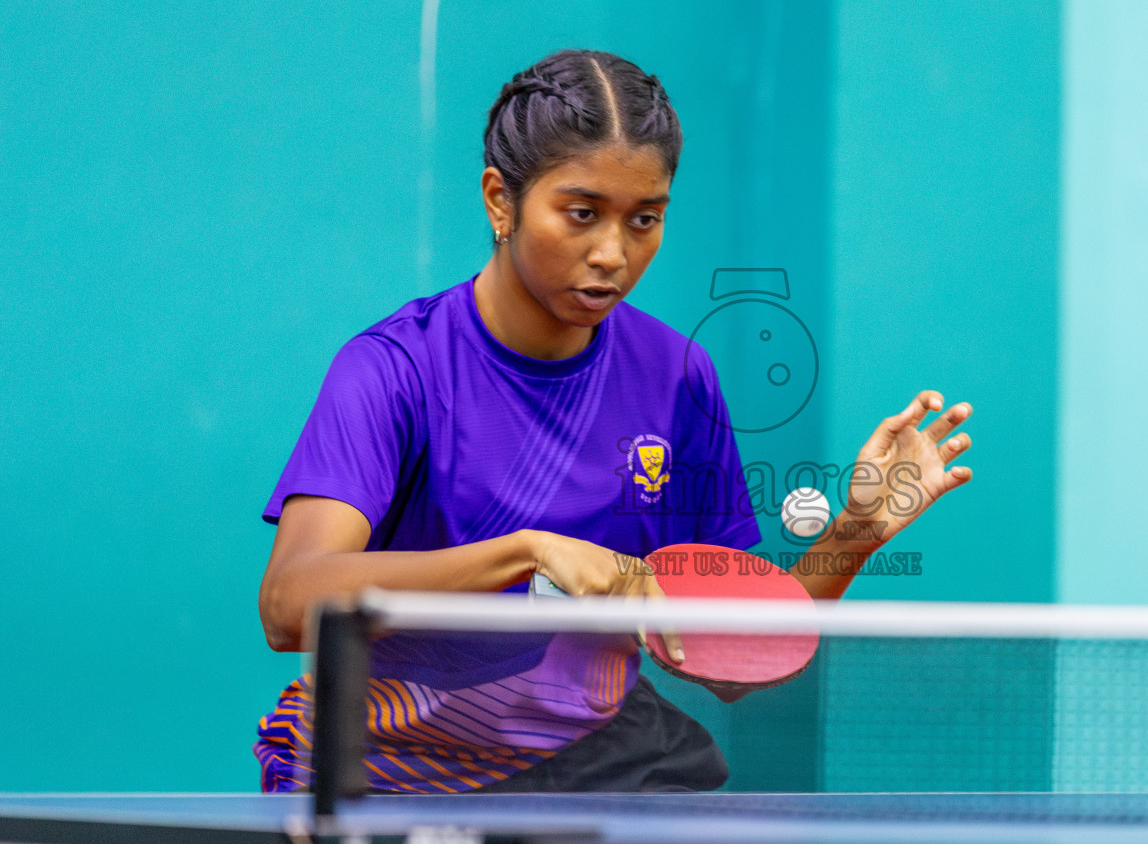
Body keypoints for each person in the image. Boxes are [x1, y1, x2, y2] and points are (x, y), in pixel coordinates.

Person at [253, 49, 974, 794]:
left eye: (645, 220)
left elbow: (728, 665)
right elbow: (290, 604)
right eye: (582, 213)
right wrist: (526, 553)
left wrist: (852, 535)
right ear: (500, 201)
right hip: (381, 778)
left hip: (583, 772)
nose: (612, 254)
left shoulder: (675, 378)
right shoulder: (394, 369)